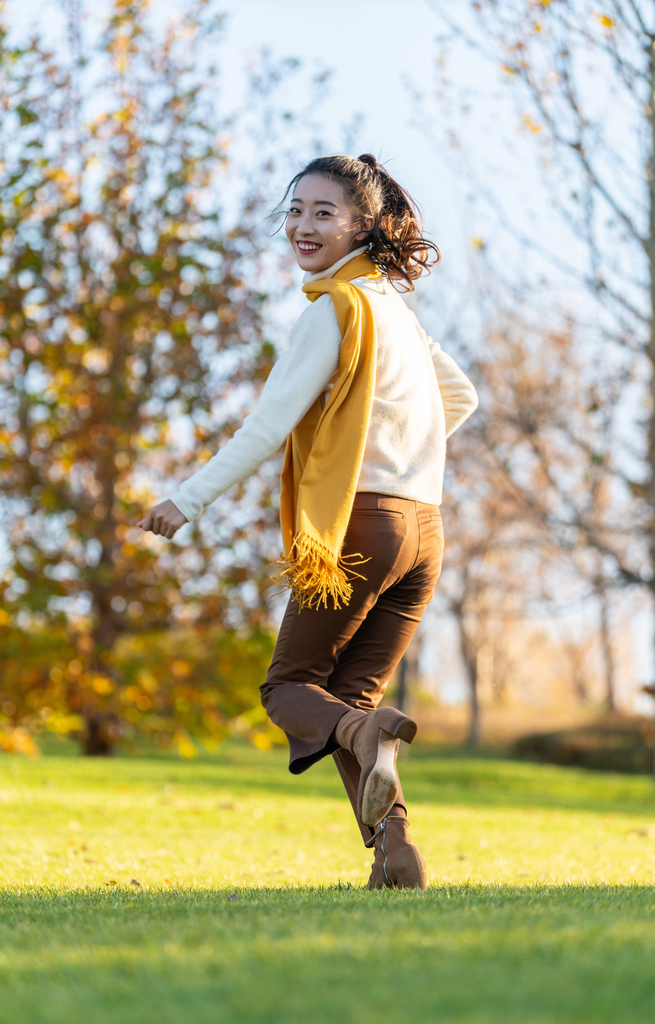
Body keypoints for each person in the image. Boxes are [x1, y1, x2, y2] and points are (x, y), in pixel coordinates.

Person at [138, 154, 478, 889]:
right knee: (348, 702)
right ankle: (396, 854)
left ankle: (365, 739)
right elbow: (460, 398)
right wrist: (397, 438)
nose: (302, 225)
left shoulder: (335, 308)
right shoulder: (394, 308)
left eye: (323, 212)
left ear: (365, 225)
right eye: (295, 210)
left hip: (359, 526)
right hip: (423, 531)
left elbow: (268, 425)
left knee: (290, 688)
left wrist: (185, 501)